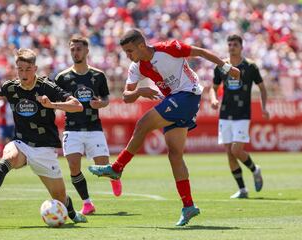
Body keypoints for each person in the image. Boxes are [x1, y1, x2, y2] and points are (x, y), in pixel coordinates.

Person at [88, 29, 240, 226]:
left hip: (188, 95)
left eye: (130, 51)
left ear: (141, 45)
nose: (128, 56)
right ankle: (188, 206)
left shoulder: (169, 48)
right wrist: (140, 91)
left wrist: (227, 68)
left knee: (143, 124)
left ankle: (117, 168)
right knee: (175, 154)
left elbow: (201, 52)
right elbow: (126, 96)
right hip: (175, 99)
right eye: (125, 52)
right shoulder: (137, 67)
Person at [0, 48, 87, 223]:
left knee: (60, 198)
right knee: (8, 157)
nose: (23, 73)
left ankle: (72, 214)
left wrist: (51, 105)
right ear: (16, 69)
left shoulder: (46, 87)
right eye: (20, 69)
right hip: (22, 144)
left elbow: (77, 106)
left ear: (35, 68)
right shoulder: (11, 87)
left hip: (45, 149)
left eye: (27, 69)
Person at [55, 36, 122, 215]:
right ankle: (87, 203)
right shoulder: (62, 77)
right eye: (72, 49)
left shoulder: (98, 75)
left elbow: (106, 98)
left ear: (86, 51)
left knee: (103, 166)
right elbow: (56, 100)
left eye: (78, 49)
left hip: (93, 128)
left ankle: (114, 177)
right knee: (74, 167)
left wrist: (101, 103)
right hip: (72, 128)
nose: (75, 52)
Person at [209, 34, 269, 199]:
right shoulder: (221, 66)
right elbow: (213, 87)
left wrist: (264, 108)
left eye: (235, 44)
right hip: (225, 113)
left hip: (242, 113)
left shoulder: (250, 66)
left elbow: (262, 88)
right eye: (229, 44)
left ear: (241, 47)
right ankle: (242, 189)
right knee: (229, 153)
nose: (232, 47)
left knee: (236, 149)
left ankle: (255, 169)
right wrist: (213, 99)